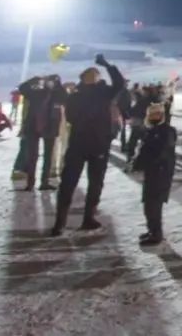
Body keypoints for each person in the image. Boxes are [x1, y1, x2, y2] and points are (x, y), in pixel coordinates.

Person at [50, 55, 125, 236]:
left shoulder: (77, 95)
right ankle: (84, 219)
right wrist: (108, 65)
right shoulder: (102, 93)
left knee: (72, 182)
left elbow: (70, 118)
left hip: (79, 142)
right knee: (92, 182)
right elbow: (119, 84)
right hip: (96, 144)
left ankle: (62, 222)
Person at [132, 102, 176, 245]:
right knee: (148, 205)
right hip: (152, 173)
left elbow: (160, 152)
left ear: (162, 115)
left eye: (156, 114)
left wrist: (146, 162)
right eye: (151, 114)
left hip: (160, 174)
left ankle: (156, 234)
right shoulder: (151, 130)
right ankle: (152, 230)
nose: (153, 116)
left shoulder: (167, 131)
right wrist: (137, 163)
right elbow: (145, 150)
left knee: (154, 205)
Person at [16, 75, 65, 191]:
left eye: (52, 82)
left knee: (48, 157)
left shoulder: (58, 94)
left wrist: (58, 83)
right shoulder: (36, 92)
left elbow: (66, 97)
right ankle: (30, 183)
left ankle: (45, 182)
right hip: (33, 128)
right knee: (32, 156)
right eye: (48, 81)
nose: (50, 83)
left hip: (50, 128)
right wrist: (34, 79)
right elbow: (22, 88)